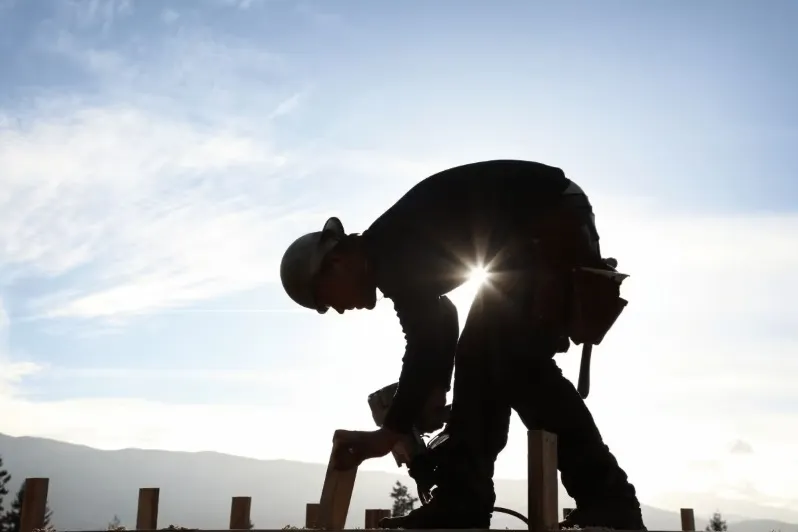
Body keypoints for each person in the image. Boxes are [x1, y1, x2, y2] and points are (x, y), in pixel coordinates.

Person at [279, 159, 645, 530]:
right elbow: (443, 315)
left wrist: (389, 433)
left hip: (549, 219)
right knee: (487, 356)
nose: (338, 309)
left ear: (337, 262)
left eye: (326, 298)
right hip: (533, 229)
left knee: (512, 357)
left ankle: (603, 499)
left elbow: (423, 339)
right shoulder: (388, 251)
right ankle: (466, 498)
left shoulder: (391, 253)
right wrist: (438, 385)